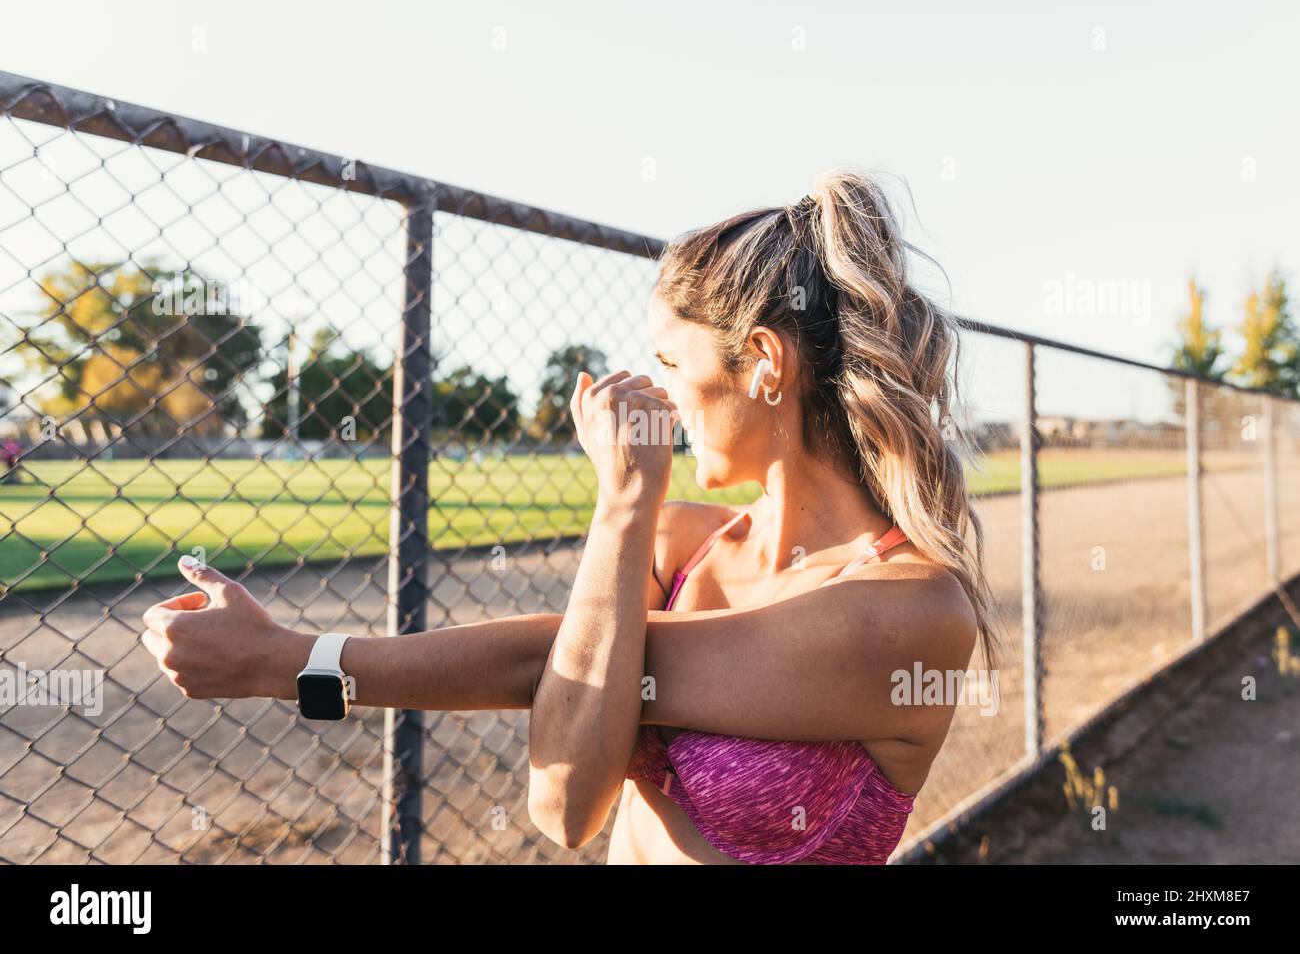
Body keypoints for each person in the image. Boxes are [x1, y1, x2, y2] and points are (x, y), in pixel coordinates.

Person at [141, 169, 1001, 864]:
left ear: (765, 364)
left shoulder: (911, 613)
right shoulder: (683, 545)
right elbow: (574, 762)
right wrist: (284, 661)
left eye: (669, 359)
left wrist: (285, 663)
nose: (656, 388)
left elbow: (557, 786)